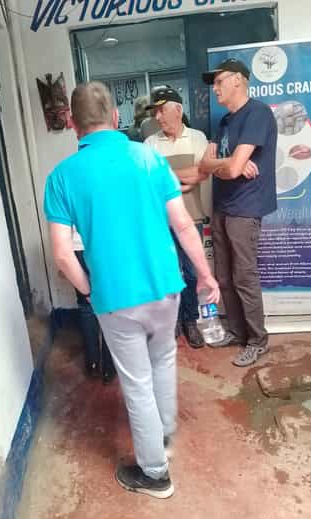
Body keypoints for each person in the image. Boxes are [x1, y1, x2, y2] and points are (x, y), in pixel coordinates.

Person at [44, 81, 219, 499]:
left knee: (137, 382)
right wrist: (206, 275)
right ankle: (164, 435)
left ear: (72, 124)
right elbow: (183, 225)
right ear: (115, 117)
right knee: (163, 361)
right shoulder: (149, 158)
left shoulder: (62, 177)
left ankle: (155, 474)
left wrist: (90, 291)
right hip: (166, 287)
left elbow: (63, 256)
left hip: (116, 298)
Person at [200, 58, 277, 367]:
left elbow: (229, 169)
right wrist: (229, 164)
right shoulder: (224, 122)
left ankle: (258, 341)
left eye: (219, 81)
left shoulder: (257, 114)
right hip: (222, 206)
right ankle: (236, 331)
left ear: (238, 80)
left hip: (246, 208)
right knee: (223, 276)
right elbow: (206, 165)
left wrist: (228, 165)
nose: (215, 88)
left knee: (244, 277)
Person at [144, 86, 209, 349]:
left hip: (192, 218)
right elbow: (150, 182)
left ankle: (190, 320)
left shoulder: (197, 138)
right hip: (161, 221)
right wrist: (184, 178)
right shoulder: (150, 143)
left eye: (162, 110)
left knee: (192, 273)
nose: (157, 117)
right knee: (167, 273)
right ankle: (171, 322)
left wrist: (167, 176)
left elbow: (202, 173)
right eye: (155, 112)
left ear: (178, 110)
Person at [72, 228, 116, 384]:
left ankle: (92, 364)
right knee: (110, 309)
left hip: (76, 247)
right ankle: (109, 368)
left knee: (86, 308)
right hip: (105, 245)